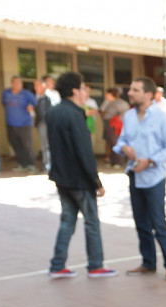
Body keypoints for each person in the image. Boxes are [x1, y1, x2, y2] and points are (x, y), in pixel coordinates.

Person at [46, 71, 117, 280]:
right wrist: (96, 182)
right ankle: (96, 265)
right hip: (79, 179)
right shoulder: (75, 114)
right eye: (84, 87)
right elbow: (83, 152)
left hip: (61, 177)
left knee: (67, 221)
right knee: (91, 222)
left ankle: (57, 265)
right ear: (75, 90)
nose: (86, 91)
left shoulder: (54, 112)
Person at [116, 76, 166, 281]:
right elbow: (121, 142)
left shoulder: (162, 118)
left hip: (154, 177)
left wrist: (151, 160)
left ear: (148, 95)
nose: (130, 93)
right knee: (140, 223)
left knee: (158, 222)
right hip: (134, 175)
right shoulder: (129, 116)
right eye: (130, 89)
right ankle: (148, 263)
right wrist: (124, 147)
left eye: (135, 90)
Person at [2, 76, 38, 171]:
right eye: (14, 82)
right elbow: (4, 104)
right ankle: (21, 164)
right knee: (15, 144)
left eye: (18, 82)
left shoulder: (27, 94)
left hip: (24, 124)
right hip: (10, 124)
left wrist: (31, 107)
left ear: (21, 84)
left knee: (27, 145)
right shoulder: (6, 93)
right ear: (11, 83)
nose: (16, 84)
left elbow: (35, 104)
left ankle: (31, 164)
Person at [34, 75, 60, 172]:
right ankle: (46, 164)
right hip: (41, 123)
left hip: (50, 122)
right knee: (44, 145)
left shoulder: (52, 95)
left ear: (43, 86)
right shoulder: (38, 96)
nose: (35, 88)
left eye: (37, 86)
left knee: (50, 145)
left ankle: (51, 165)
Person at [100, 87, 129, 168]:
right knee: (110, 143)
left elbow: (124, 115)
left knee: (116, 143)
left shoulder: (121, 103)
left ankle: (119, 162)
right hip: (108, 125)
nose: (105, 95)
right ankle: (113, 161)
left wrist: (118, 122)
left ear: (111, 94)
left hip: (116, 126)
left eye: (107, 93)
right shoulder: (109, 102)